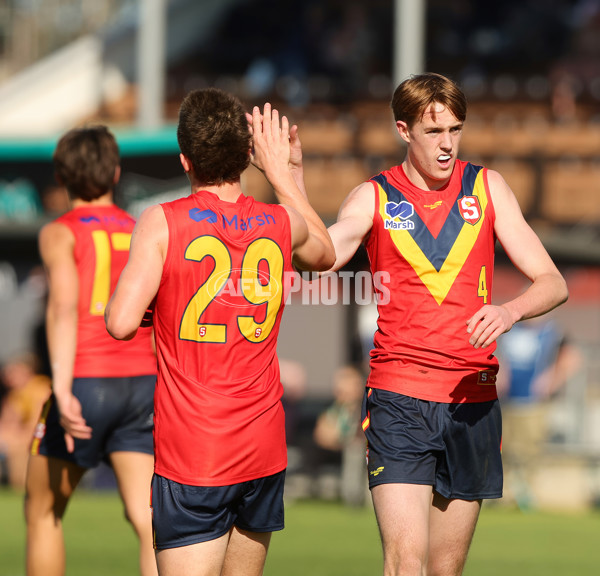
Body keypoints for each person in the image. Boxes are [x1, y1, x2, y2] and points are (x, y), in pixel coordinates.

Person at [324, 73, 569, 575]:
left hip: (472, 401)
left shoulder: (488, 187)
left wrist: (509, 311)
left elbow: (552, 281)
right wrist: (290, 188)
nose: (447, 144)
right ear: (403, 130)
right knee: (405, 563)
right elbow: (327, 253)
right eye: (433, 132)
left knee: (444, 569)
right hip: (400, 399)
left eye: (455, 130)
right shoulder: (373, 197)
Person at [105, 88, 335, 576]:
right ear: (247, 155)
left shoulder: (161, 222)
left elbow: (121, 321)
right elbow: (326, 252)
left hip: (194, 449)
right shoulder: (280, 222)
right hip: (262, 444)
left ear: (185, 161)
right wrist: (286, 175)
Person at [24, 126, 158, 576]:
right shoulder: (140, 228)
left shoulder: (60, 232)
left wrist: (60, 389)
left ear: (61, 178)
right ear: (116, 172)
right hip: (143, 385)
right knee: (149, 523)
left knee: (42, 512)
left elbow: (63, 307)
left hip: (86, 381)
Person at [496, 315, 582, 508]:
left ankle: (526, 495)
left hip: (533, 403)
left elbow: (572, 358)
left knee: (528, 451)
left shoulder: (553, 332)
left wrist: (552, 380)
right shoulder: (509, 330)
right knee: (505, 450)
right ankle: (504, 495)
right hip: (507, 400)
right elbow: (497, 356)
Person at [313, 364, 367, 507]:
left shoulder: (364, 406)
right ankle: (351, 496)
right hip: (344, 445)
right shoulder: (335, 409)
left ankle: (362, 496)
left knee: (356, 450)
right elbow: (323, 433)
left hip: (363, 445)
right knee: (354, 451)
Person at [0, 352, 51, 489]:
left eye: (13, 372)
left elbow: (38, 425)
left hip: (47, 436)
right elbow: (7, 421)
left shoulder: (40, 388)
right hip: (25, 434)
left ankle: (21, 486)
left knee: (18, 446)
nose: (8, 376)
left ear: (28, 371)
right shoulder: (15, 394)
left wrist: (14, 437)